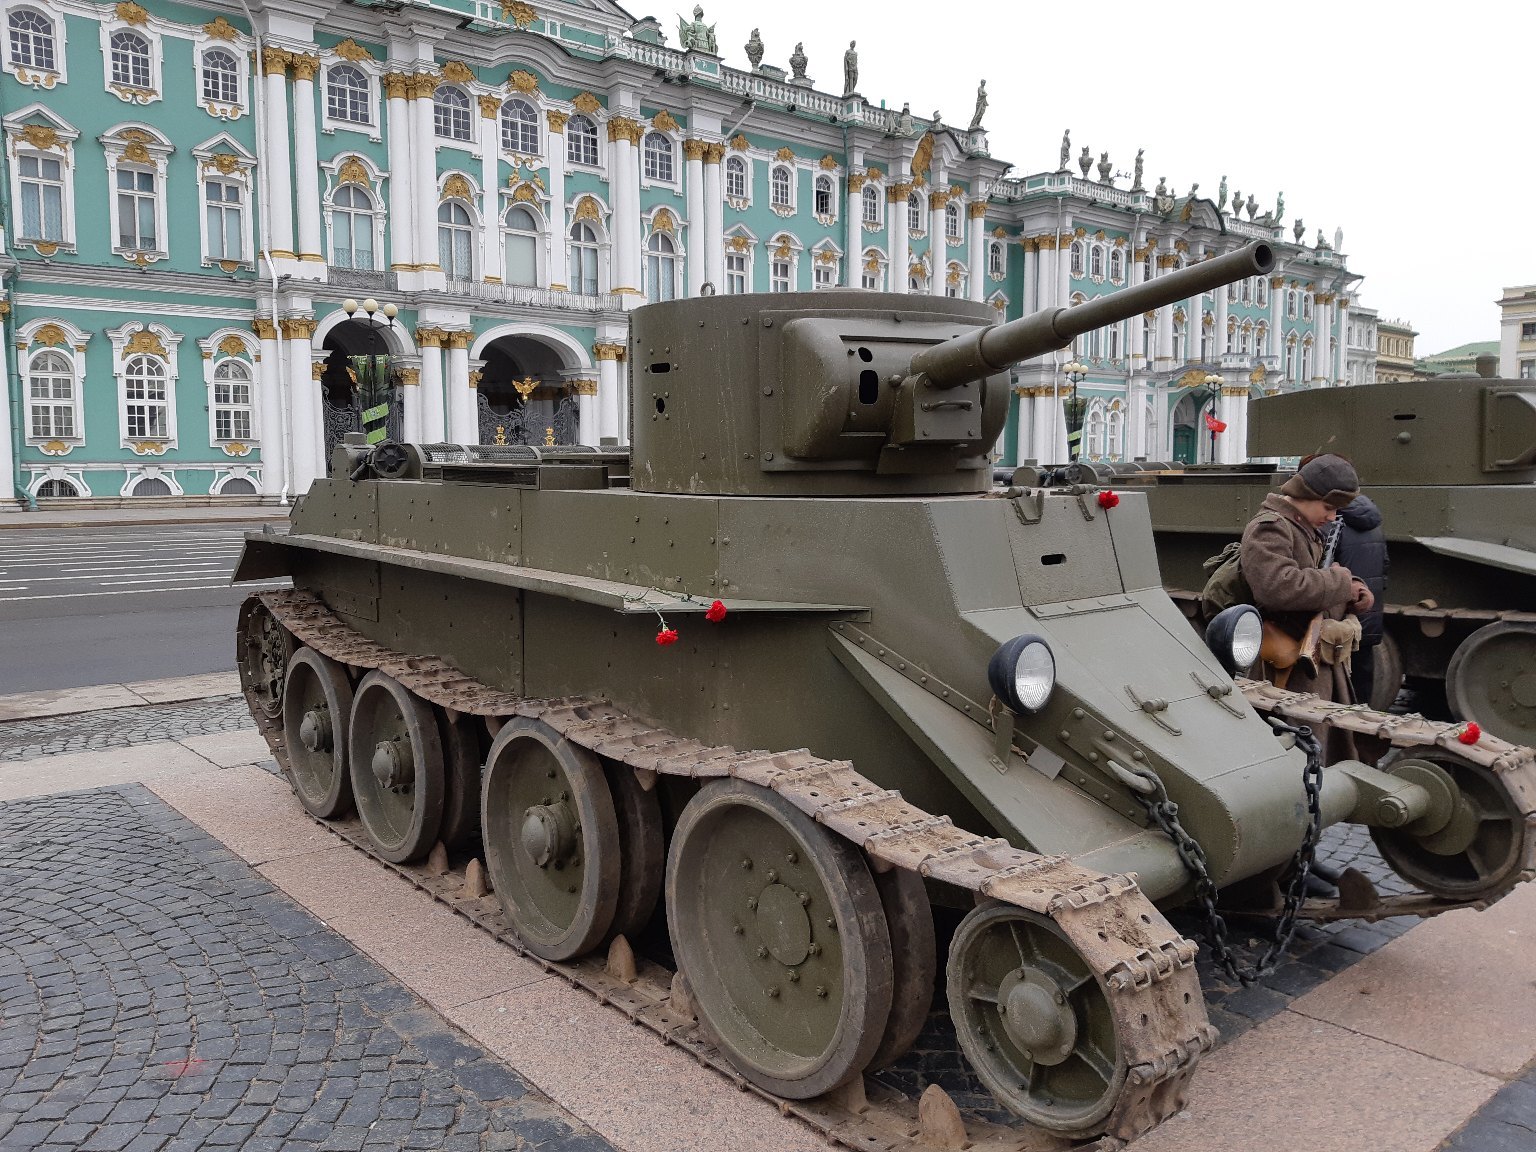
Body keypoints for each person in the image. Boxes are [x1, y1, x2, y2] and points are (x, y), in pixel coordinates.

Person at [1238, 453, 1374, 704]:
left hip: (1309, 665)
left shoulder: (1301, 527)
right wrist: (1340, 583)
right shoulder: (1270, 527)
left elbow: (1313, 574)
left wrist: (1351, 588)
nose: (1332, 517)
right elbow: (1277, 587)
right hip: (1285, 672)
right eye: (1328, 507)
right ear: (1307, 495)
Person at [1335, 493, 1390, 706]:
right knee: (1362, 678)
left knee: (1338, 685)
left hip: (1342, 613)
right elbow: (1384, 565)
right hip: (1369, 607)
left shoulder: (1334, 522)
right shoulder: (1373, 520)